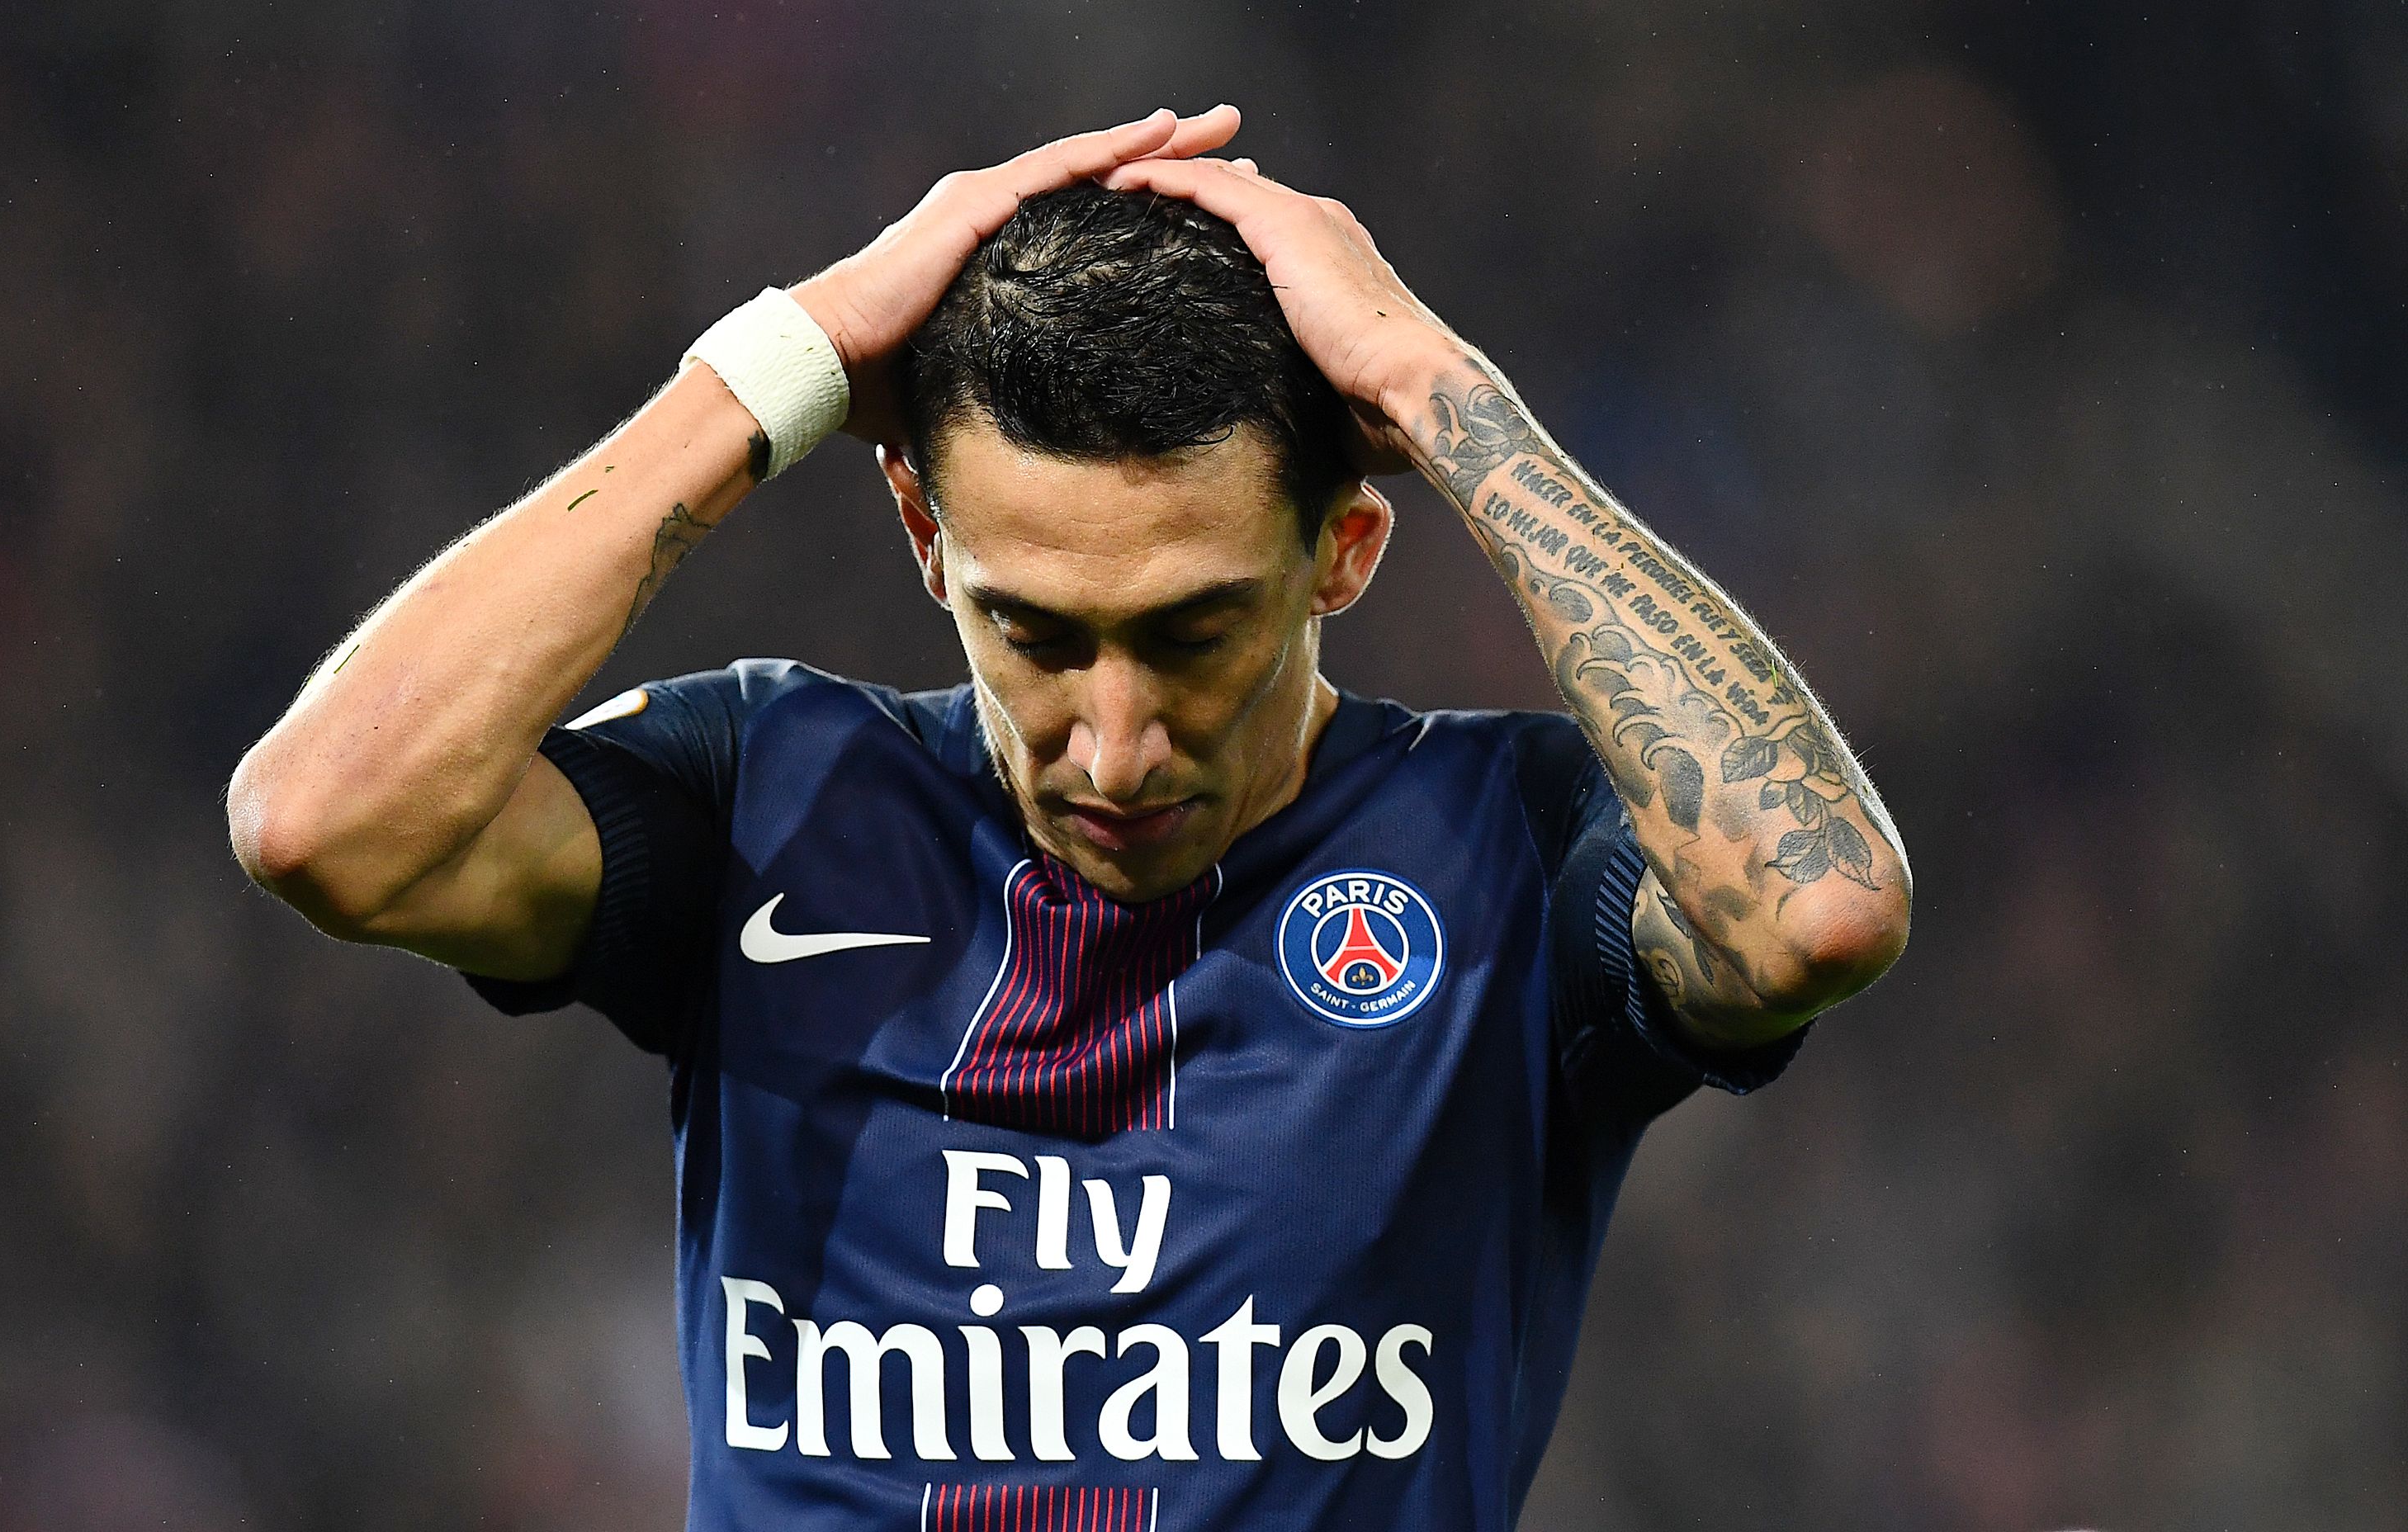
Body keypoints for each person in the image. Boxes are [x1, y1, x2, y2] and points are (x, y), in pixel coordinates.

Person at [227, 106, 1909, 1531]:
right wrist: (787, 358)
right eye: (1034, 632)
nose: (1112, 748)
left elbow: (1813, 910)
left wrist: (1444, 396)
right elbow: (326, 820)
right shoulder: (774, 797)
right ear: (921, 536)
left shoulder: (1502, 851)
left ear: (1344, 549)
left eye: (1192, 634)